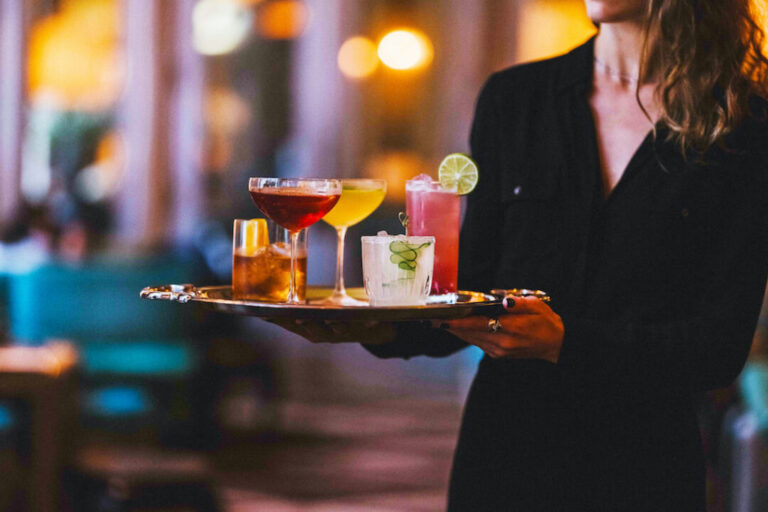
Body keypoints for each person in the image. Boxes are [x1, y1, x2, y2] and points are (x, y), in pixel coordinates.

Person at [275, 0, 768, 510]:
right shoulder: (515, 100)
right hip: (505, 456)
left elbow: (718, 348)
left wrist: (564, 343)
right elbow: (468, 289)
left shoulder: (747, 126)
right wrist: (373, 326)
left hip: (643, 467)